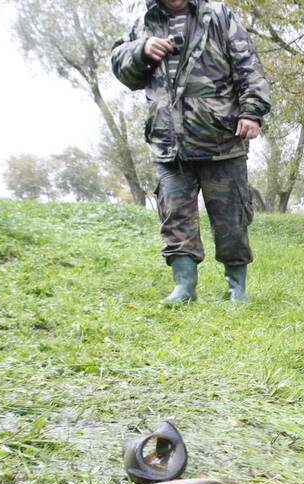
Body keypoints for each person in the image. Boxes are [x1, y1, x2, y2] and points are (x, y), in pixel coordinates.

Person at [110, 0, 271, 304]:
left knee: (231, 218)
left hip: (221, 138)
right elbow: (121, 68)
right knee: (175, 215)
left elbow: (248, 64)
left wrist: (252, 111)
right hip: (168, 140)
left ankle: (237, 288)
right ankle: (184, 287)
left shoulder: (218, 14)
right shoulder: (143, 21)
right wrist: (140, 51)